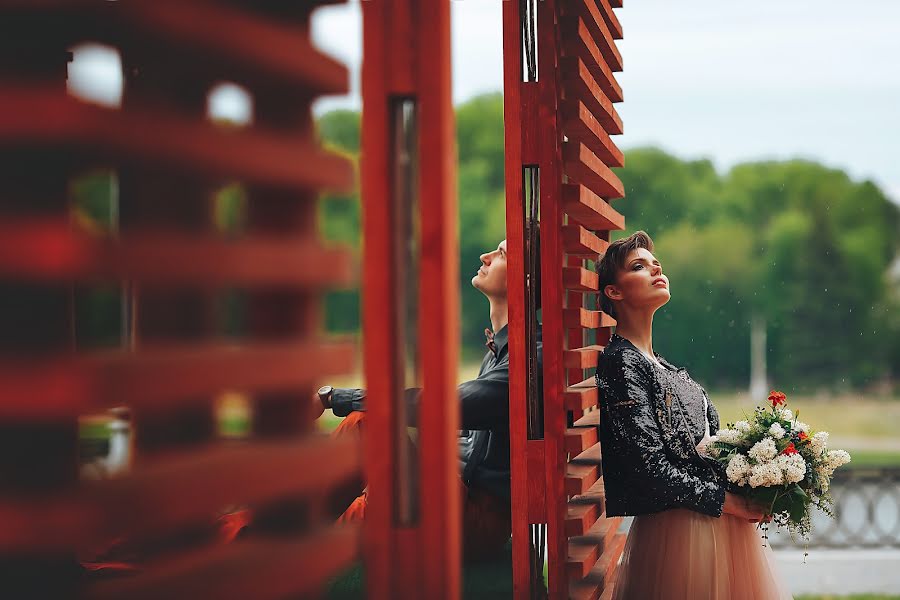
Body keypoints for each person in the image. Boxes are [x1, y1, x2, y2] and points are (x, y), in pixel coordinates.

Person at [314, 238, 542, 563]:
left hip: (472, 518)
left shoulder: (531, 359)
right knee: (331, 525)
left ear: (527, 279)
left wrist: (334, 398)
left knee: (368, 425)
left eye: (502, 253)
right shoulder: (504, 352)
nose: (485, 256)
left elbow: (439, 406)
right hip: (450, 501)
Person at [594, 230, 792, 600]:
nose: (656, 271)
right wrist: (730, 503)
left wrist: (759, 474)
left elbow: (706, 453)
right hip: (680, 538)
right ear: (614, 292)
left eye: (657, 265)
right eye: (639, 266)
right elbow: (649, 469)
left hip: (719, 529)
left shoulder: (665, 367)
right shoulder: (621, 363)